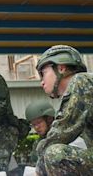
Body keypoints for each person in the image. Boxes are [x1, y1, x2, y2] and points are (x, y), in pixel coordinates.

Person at [34, 45, 92, 176]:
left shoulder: (81, 81)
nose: (41, 82)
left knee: (55, 154)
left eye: (43, 74)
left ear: (61, 67)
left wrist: (38, 169)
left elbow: (62, 131)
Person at [24, 101, 55, 166]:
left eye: (39, 122)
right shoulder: (38, 143)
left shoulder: (63, 137)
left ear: (49, 119)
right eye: (33, 124)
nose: (36, 127)